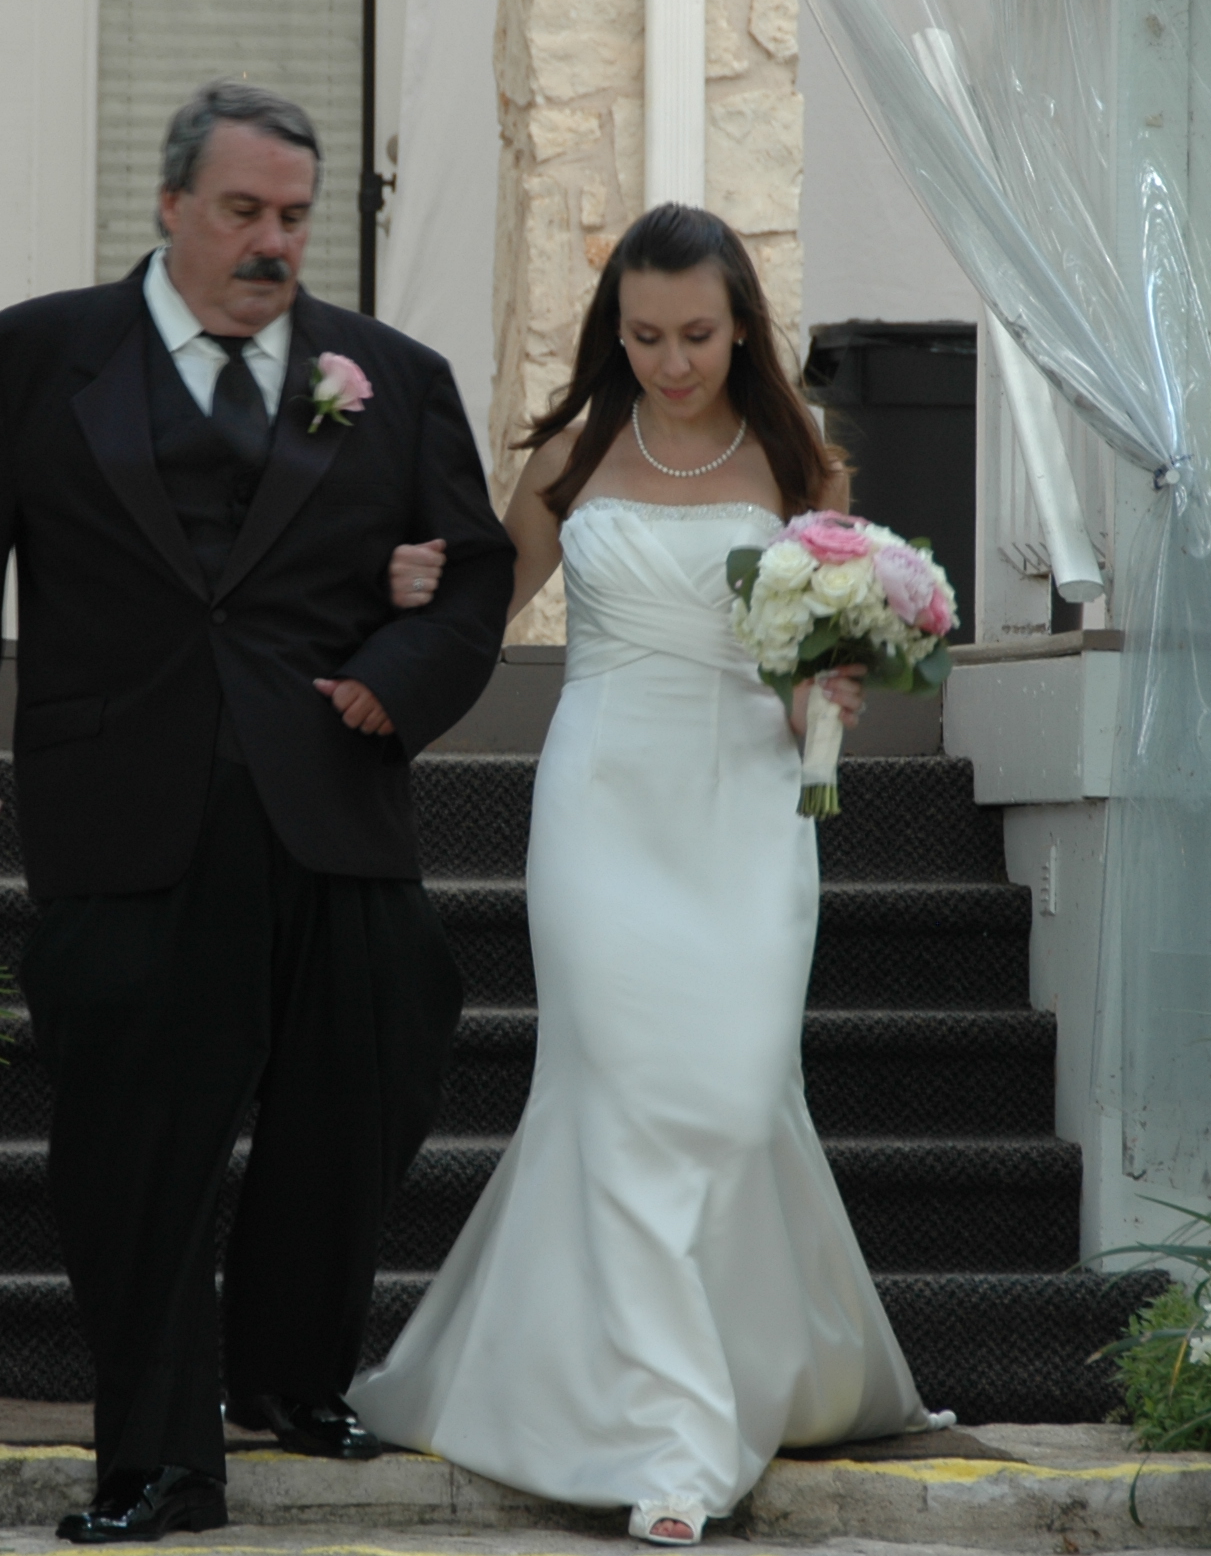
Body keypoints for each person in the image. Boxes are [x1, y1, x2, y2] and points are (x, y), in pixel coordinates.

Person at [0, 81, 513, 1544]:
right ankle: (159, 1462)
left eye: (293, 216)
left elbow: (471, 571)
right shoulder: (39, 357)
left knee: (370, 1082)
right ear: (171, 206)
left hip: (330, 797)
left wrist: (398, 679)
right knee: (139, 1140)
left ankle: (287, 1372)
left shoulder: (391, 376)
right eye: (240, 211)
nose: (270, 241)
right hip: (128, 808)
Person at [350, 203, 937, 1546]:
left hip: (747, 813)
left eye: (697, 336)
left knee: (730, 1103)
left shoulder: (803, 466)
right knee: (615, 1102)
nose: (671, 362)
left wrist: (831, 696)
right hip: (602, 807)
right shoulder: (570, 456)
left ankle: (732, 1372)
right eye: (645, 335)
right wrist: (394, 601)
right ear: (615, 332)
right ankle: (676, 1444)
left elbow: (809, 680)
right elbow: (475, 616)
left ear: (742, 331)